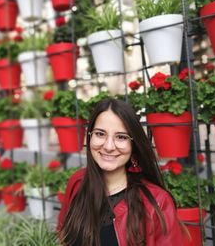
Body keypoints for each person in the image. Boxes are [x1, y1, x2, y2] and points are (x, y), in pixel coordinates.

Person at [58, 98, 184, 246]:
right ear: (90, 136)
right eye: (100, 134)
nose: (109, 146)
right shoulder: (78, 182)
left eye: (121, 137)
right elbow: (63, 233)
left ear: (133, 144)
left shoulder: (158, 202)